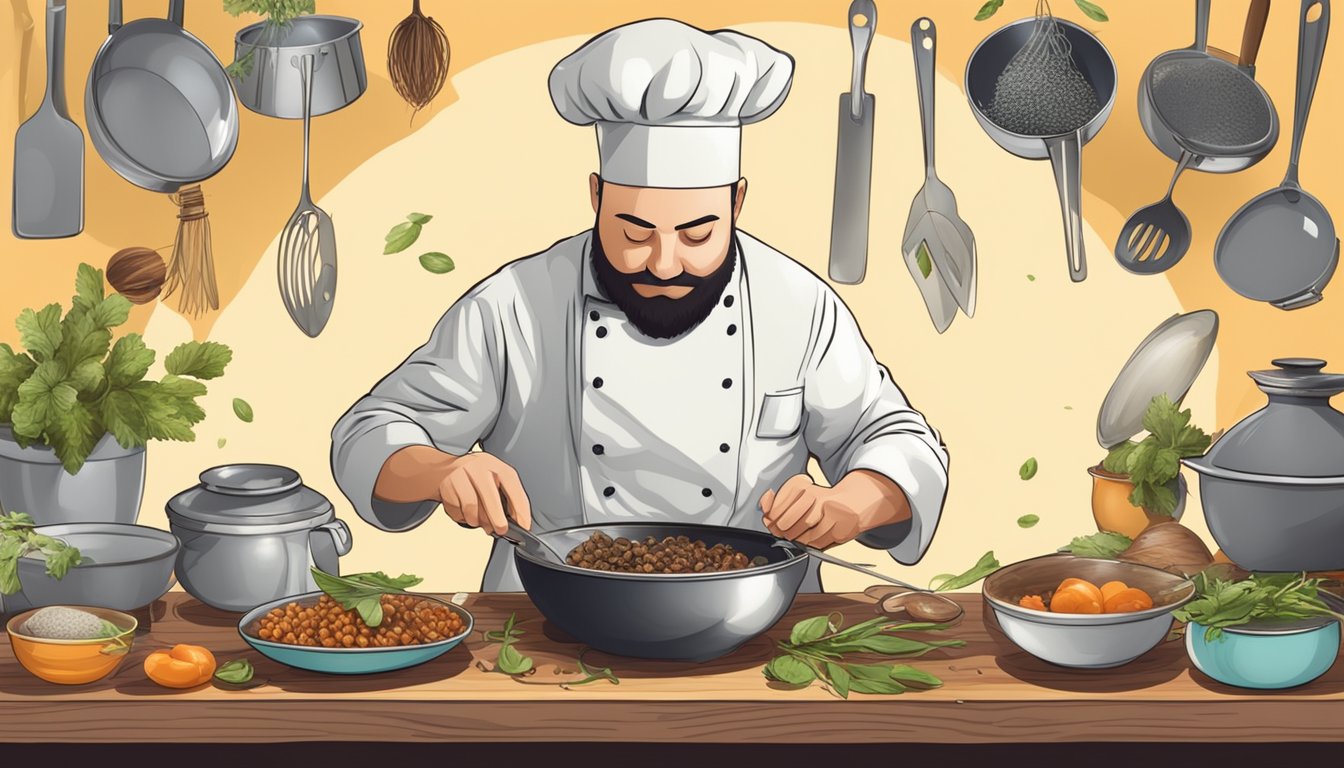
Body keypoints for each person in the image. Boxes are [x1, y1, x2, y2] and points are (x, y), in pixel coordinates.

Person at [330, 18, 949, 592]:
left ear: (736, 203)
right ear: (596, 195)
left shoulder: (798, 304)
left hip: (754, 617)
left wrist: (850, 504)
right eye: (633, 230)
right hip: (546, 616)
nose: (664, 261)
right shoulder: (514, 306)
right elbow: (367, 435)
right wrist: (440, 472)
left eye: (698, 234)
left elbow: (901, 441)